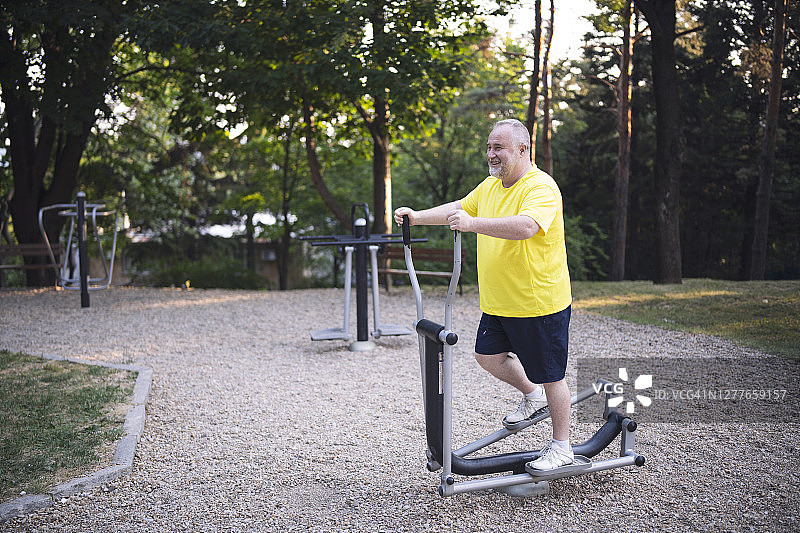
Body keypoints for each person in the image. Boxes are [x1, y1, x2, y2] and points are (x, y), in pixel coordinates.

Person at [394, 118, 573, 470]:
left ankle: (562, 445)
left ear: (523, 149)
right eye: (489, 147)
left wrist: (473, 224)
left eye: (499, 148)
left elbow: (527, 225)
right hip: (501, 301)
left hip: (538, 302)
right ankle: (531, 395)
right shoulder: (491, 187)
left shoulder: (541, 187)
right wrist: (416, 217)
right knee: (487, 356)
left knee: (552, 375)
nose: (491, 154)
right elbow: (458, 208)